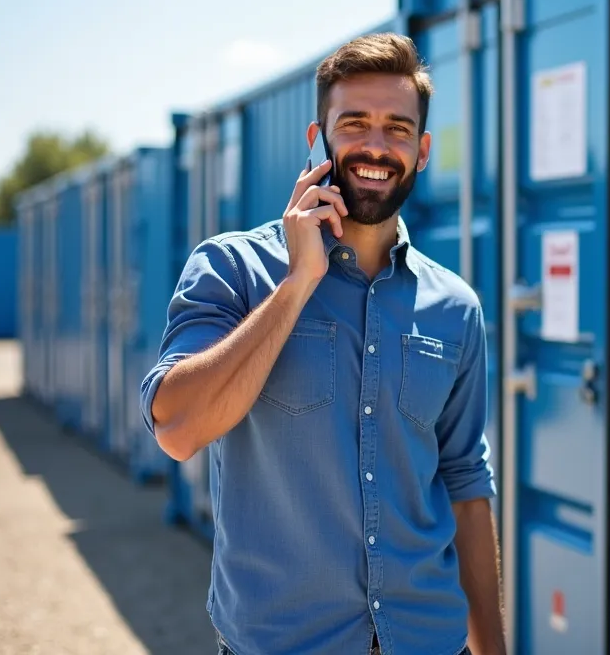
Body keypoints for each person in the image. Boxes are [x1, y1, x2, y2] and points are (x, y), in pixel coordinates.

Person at [139, 33, 505, 655]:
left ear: (421, 152)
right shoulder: (233, 269)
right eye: (354, 123)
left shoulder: (455, 307)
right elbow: (177, 429)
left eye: (397, 128)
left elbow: (466, 487)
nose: (375, 145)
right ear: (318, 140)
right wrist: (298, 281)